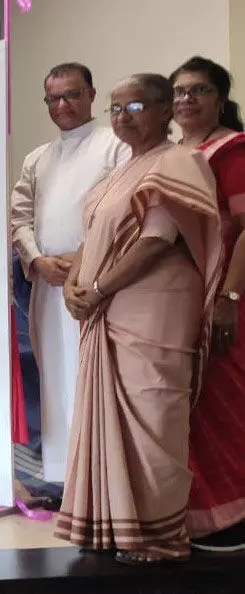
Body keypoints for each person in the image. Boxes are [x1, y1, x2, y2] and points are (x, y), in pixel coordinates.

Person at [53, 74, 221, 564]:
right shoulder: (116, 176)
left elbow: (156, 240)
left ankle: (161, 537)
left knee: (154, 417)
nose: (122, 117)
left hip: (154, 311)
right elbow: (90, 239)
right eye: (115, 108)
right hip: (107, 309)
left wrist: (98, 289)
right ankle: (112, 523)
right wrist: (72, 284)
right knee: (110, 417)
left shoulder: (179, 162)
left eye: (135, 107)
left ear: (165, 110)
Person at [9, 63, 130, 486]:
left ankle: (99, 482)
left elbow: (123, 216)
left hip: (96, 285)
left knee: (92, 379)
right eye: (53, 98)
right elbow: (19, 219)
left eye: (72, 95)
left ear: (91, 95)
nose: (62, 105)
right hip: (48, 284)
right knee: (55, 380)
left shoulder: (116, 146)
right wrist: (38, 260)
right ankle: (61, 478)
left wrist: (82, 260)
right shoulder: (37, 158)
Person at [170, 55, 245, 552]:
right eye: (179, 91)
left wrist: (228, 297)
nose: (186, 100)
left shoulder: (232, 150)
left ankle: (232, 517)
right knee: (185, 410)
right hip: (175, 302)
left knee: (223, 404)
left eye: (198, 90)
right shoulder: (169, 153)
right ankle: (194, 516)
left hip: (221, 298)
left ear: (220, 99)